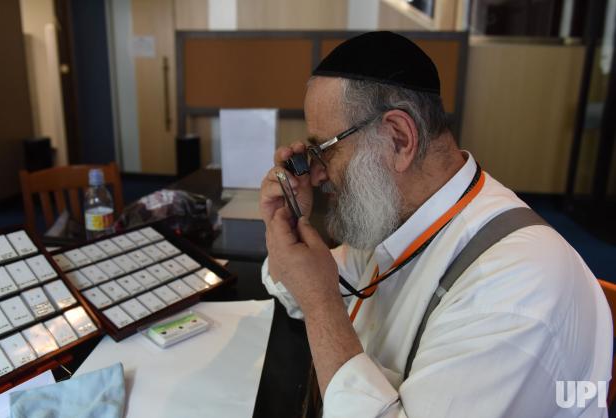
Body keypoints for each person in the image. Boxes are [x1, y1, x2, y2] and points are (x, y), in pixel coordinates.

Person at [259, 31, 612, 418]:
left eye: (324, 150)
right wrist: (288, 224)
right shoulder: (398, 214)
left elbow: (317, 297)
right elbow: (303, 288)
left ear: (398, 138)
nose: (316, 173)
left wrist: (321, 305)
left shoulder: (515, 291)